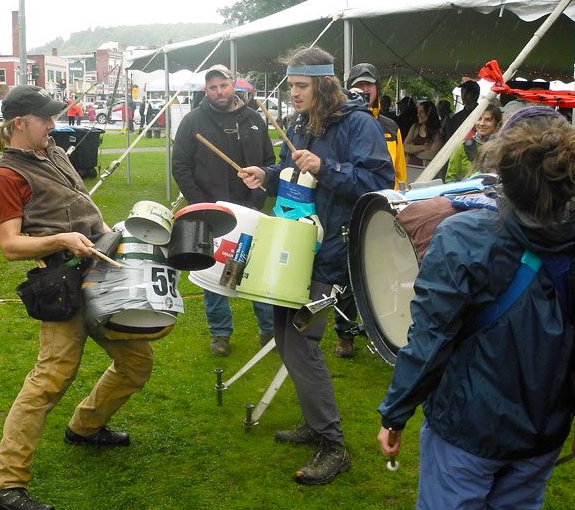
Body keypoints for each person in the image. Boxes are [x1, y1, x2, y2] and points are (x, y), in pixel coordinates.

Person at [376, 107, 575, 510]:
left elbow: (430, 337)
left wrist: (395, 413)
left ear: (502, 168)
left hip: (465, 423)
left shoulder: (464, 235)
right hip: (541, 424)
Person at [0, 85, 153, 510]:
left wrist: (107, 233)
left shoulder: (53, 151)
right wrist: (60, 239)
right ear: (20, 123)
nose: (52, 125)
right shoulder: (6, 177)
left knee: (136, 362)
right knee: (50, 379)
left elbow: (78, 204)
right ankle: (3, 486)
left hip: (101, 274)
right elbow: (10, 245)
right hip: (63, 283)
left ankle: (86, 427)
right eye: (45, 118)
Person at [237, 46, 394, 485]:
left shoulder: (358, 124)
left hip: (330, 253)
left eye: (301, 85)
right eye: (290, 85)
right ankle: (314, 422)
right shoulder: (300, 124)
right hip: (293, 246)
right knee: (286, 338)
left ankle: (333, 444)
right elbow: (292, 171)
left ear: (325, 84)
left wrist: (328, 167)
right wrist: (266, 175)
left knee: (301, 343)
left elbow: (380, 183)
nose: (293, 93)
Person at [171, 63, 276, 356]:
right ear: (206, 90)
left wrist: (257, 196)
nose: (219, 91)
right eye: (213, 87)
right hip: (211, 211)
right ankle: (220, 333)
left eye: (223, 85)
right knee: (212, 272)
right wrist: (200, 204)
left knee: (254, 267)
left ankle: (269, 329)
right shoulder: (193, 121)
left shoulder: (253, 119)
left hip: (250, 208)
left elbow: (269, 161)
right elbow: (180, 166)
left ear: (234, 86)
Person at [337, 62, 408, 358]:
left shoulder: (391, 127)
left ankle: (382, 329)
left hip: (383, 212)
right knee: (347, 274)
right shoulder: (342, 123)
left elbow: (399, 174)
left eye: (369, 84)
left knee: (382, 272)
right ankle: (344, 334)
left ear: (378, 88)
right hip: (349, 208)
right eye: (358, 84)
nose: (364, 89)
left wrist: (400, 207)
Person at [444, 103, 502, 182]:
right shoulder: (463, 147)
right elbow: (450, 179)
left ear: (497, 124)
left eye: (488, 120)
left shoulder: (502, 149)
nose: (481, 124)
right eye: (479, 119)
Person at [403, 100, 444, 168]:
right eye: (418, 112)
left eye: (421, 112)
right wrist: (423, 147)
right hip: (408, 167)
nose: (418, 115)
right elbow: (404, 147)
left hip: (426, 170)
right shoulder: (414, 127)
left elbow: (433, 154)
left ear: (429, 113)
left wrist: (412, 149)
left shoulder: (439, 131)